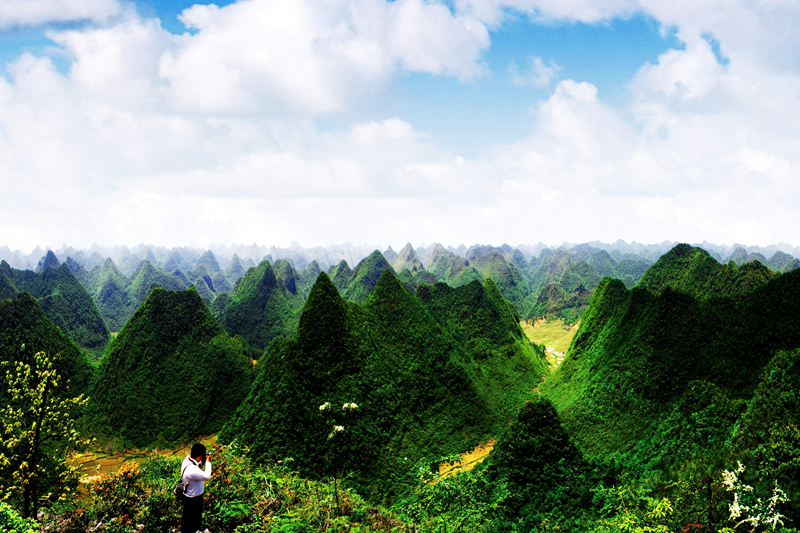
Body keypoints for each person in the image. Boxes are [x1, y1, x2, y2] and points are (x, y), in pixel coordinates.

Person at [181, 443, 212, 533]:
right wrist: (208, 461)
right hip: (194, 500)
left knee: (188, 520)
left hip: (189, 497)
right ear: (200, 455)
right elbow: (207, 476)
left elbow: (197, 467)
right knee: (193, 521)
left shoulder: (186, 461)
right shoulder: (192, 470)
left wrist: (202, 462)